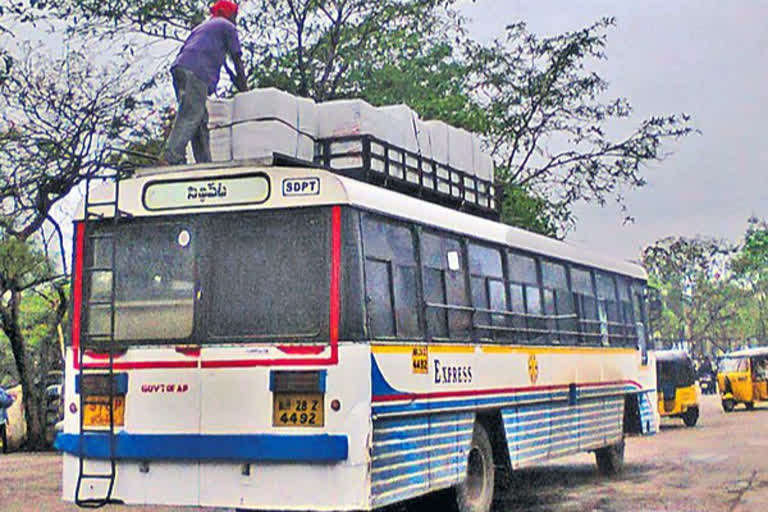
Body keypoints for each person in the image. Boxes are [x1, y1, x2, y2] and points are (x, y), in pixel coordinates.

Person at [161, 0, 248, 165]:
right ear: (228, 13)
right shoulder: (227, 26)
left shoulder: (203, 27)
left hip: (180, 69)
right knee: (191, 114)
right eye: (235, 15)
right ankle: (171, 155)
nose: (236, 19)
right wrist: (244, 88)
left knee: (200, 119)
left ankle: (204, 162)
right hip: (197, 71)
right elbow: (237, 58)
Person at [0, 385, 15, 454]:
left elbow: (6, 401)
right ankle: (4, 450)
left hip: (1, 418)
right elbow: (5, 401)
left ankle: (4, 449)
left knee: (3, 435)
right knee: (3, 435)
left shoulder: (2, 391)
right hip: (1, 418)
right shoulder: (2, 392)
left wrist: (11, 398)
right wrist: (11, 398)